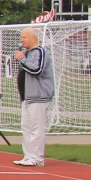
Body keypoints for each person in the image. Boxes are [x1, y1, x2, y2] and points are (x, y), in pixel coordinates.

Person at [15, 28, 55, 167]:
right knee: (26, 127)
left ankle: (37, 158)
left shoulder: (40, 52)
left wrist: (22, 59)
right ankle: (28, 156)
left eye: (24, 37)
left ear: (33, 38)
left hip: (39, 97)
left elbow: (36, 69)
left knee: (36, 128)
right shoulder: (27, 53)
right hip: (27, 97)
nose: (22, 40)